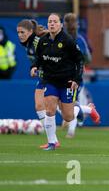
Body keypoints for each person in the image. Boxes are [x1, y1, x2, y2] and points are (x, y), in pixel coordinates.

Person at [31, 13, 84, 151]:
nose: (52, 24)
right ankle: (52, 143)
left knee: (68, 117)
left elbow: (79, 60)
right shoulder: (43, 41)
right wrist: (34, 66)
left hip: (67, 81)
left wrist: (76, 79)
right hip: (50, 80)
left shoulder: (68, 41)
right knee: (50, 110)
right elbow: (39, 58)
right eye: (50, 22)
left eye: (55, 21)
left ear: (60, 25)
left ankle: (80, 110)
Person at [17, 19, 63, 148]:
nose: (20, 35)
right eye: (18, 32)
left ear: (31, 31)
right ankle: (53, 141)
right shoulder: (27, 43)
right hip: (45, 76)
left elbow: (47, 55)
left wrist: (35, 66)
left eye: (23, 32)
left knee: (65, 112)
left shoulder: (37, 42)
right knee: (39, 106)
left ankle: (86, 110)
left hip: (53, 76)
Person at [62, 13, 100, 138]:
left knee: (70, 103)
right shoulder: (80, 40)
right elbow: (88, 58)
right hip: (72, 75)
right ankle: (85, 111)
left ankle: (71, 130)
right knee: (67, 103)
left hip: (68, 76)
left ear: (63, 25)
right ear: (76, 25)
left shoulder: (60, 39)